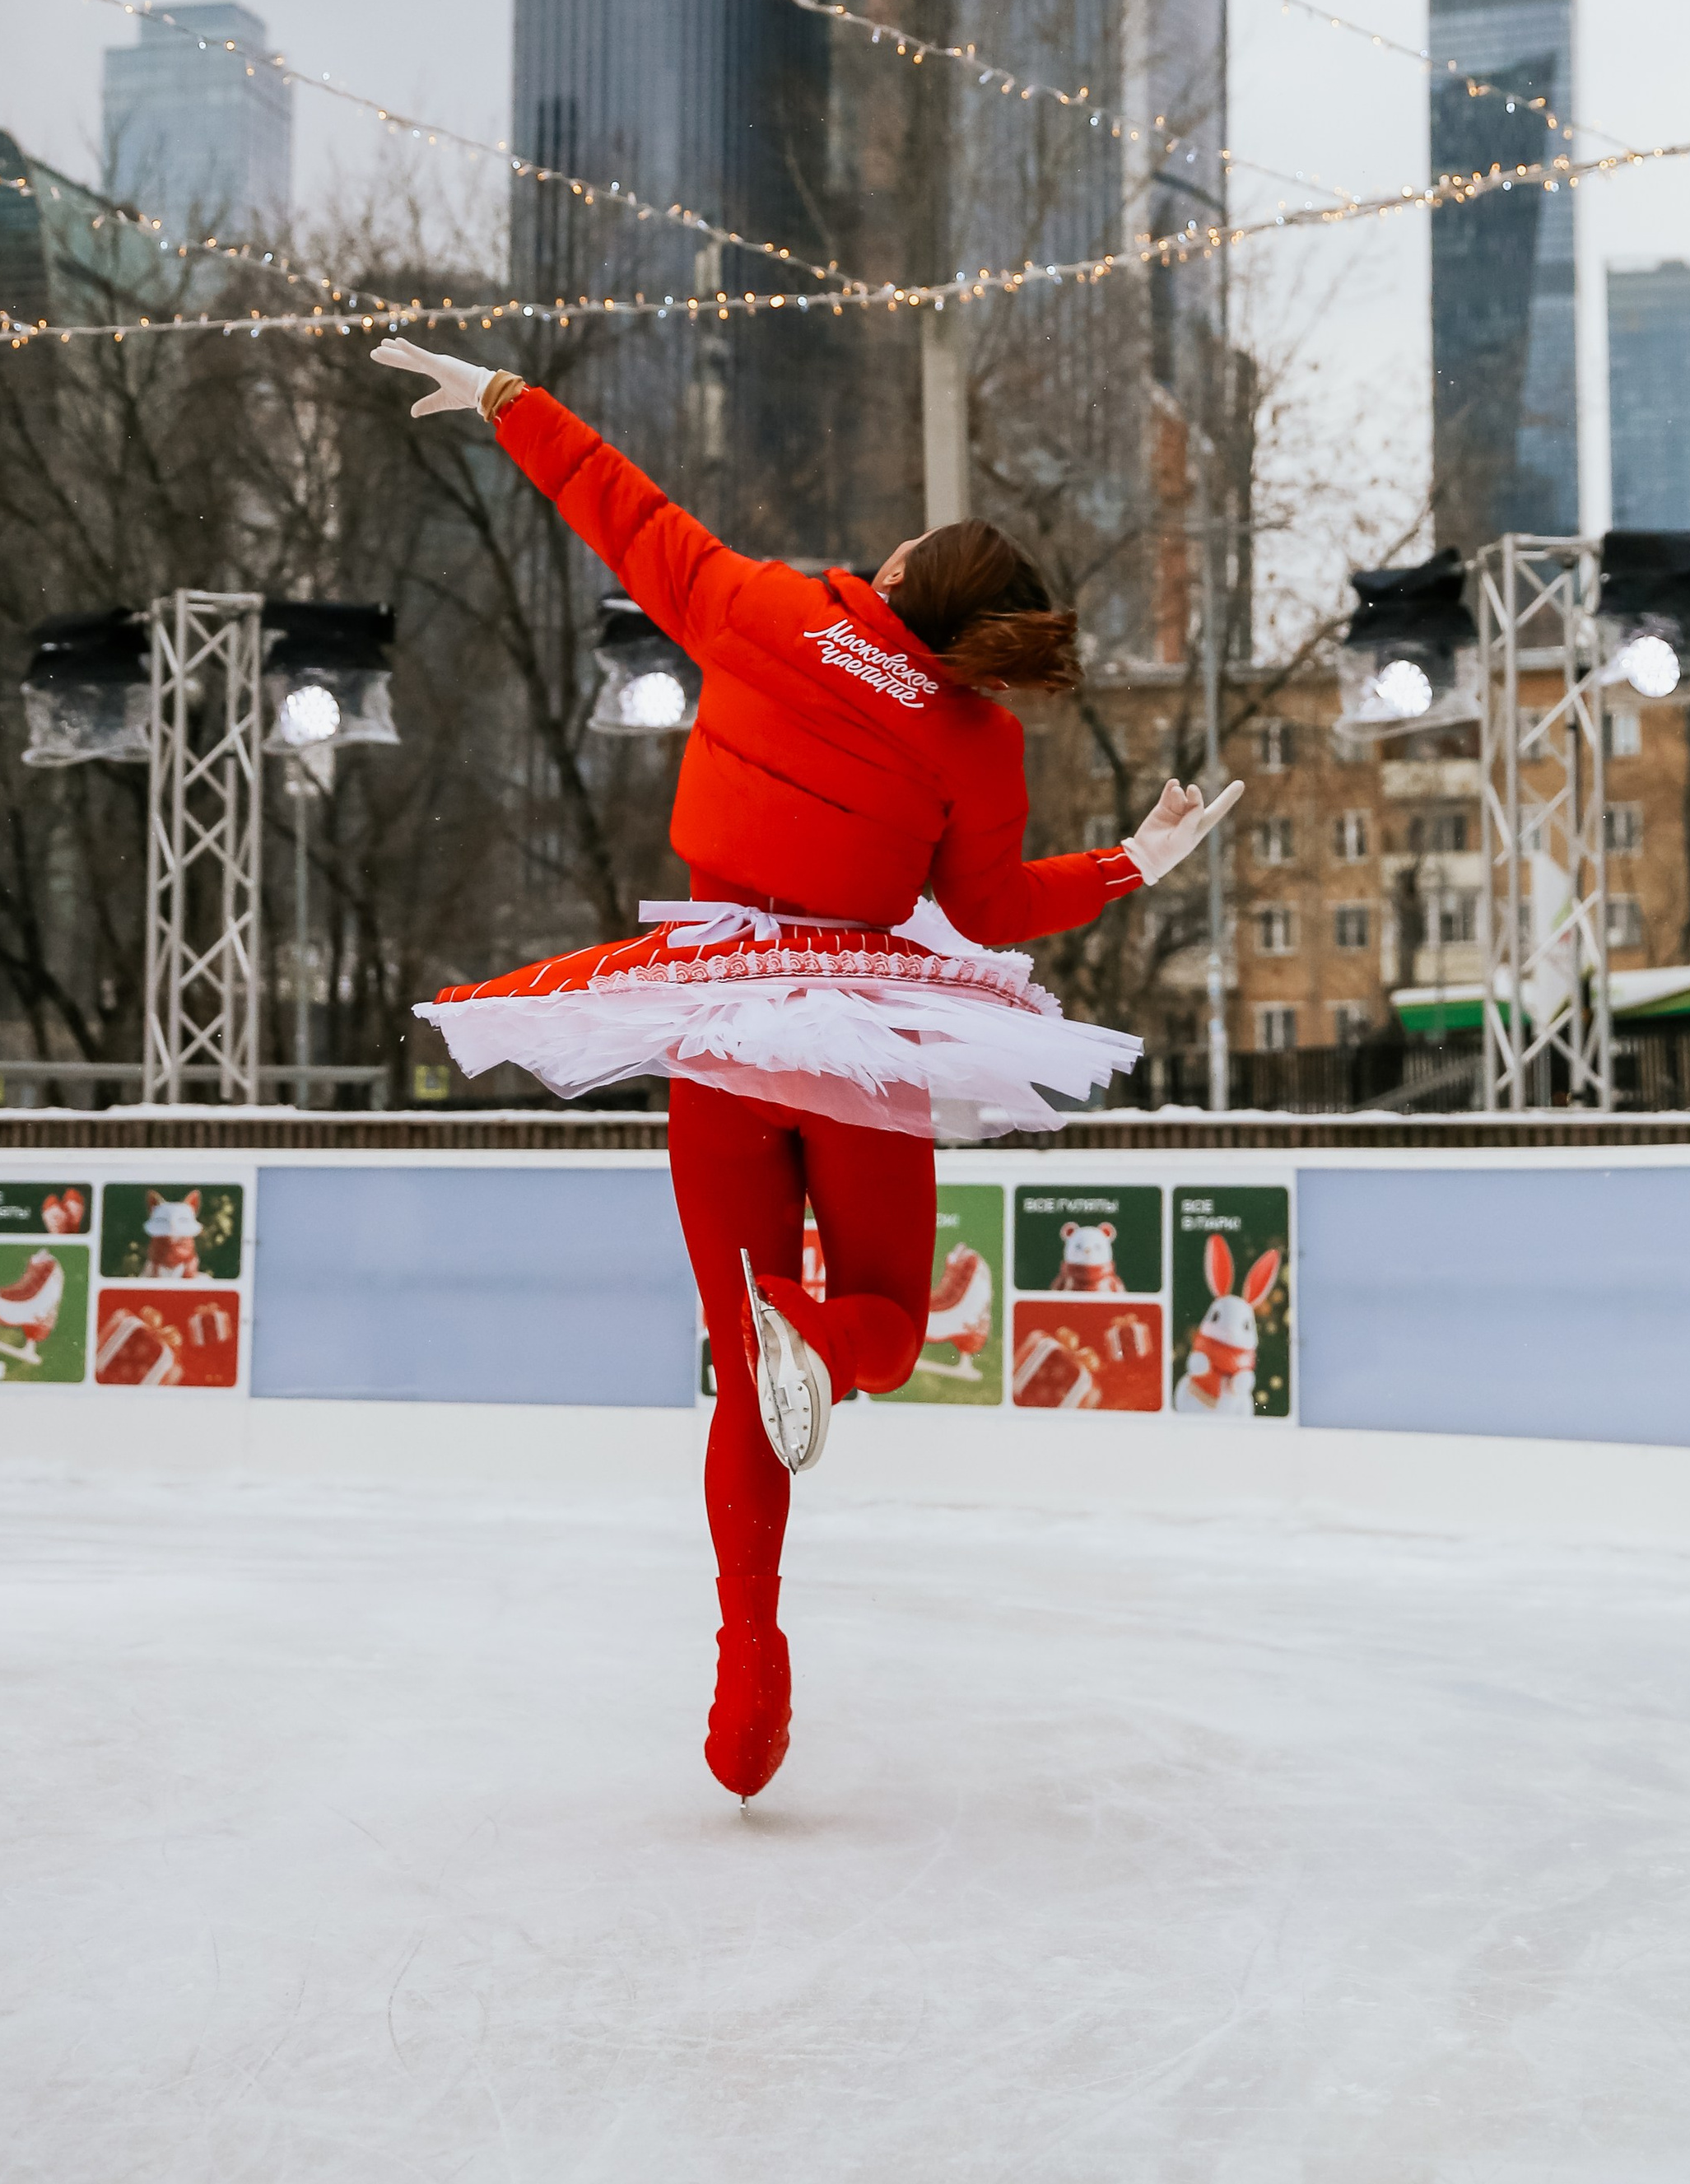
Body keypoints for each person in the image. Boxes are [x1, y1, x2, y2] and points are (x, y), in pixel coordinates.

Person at [375, 340, 1241, 1801]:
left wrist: (514, 400)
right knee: (890, 1315)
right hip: (851, 1035)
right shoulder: (973, 737)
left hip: (717, 1017)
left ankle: (749, 1663)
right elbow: (984, 912)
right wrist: (1129, 861)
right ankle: (816, 1341)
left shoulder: (766, 608)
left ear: (902, 566)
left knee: (734, 1383)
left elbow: (626, 512)